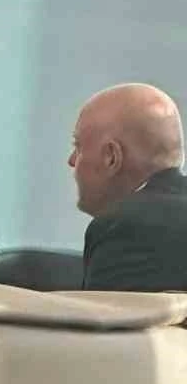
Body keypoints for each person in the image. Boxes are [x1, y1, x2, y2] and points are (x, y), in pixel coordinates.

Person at [70, 84, 187, 291]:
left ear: (111, 157)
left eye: (78, 147)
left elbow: (107, 312)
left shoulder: (127, 229)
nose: (71, 161)